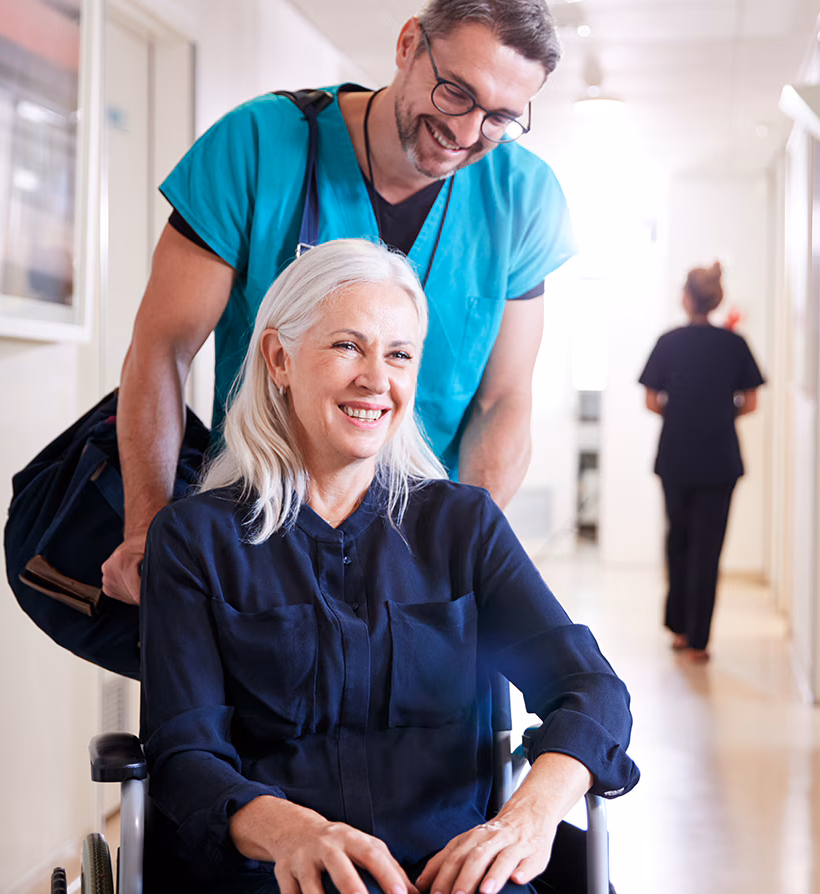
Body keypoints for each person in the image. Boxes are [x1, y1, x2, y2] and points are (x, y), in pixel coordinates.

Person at [140, 239, 638, 894]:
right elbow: (185, 756)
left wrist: (527, 818)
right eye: (349, 345)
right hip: (274, 875)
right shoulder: (194, 540)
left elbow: (591, 689)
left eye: (399, 354)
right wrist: (293, 832)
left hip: (449, 874)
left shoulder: (461, 526)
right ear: (279, 358)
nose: (377, 379)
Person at [105, 0, 575, 605]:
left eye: (500, 118)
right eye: (456, 92)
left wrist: (466, 547)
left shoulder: (523, 196)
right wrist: (148, 528)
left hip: (421, 553)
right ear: (409, 45)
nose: (466, 133)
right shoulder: (257, 146)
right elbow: (161, 349)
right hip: (259, 535)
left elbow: (504, 398)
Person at [638, 262, 765, 663]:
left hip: (677, 455)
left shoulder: (668, 342)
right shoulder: (735, 344)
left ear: (687, 297)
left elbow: (650, 400)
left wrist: (682, 414)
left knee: (678, 540)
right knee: (708, 549)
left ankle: (678, 628)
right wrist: (719, 413)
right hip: (720, 459)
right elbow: (751, 401)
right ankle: (699, 640)